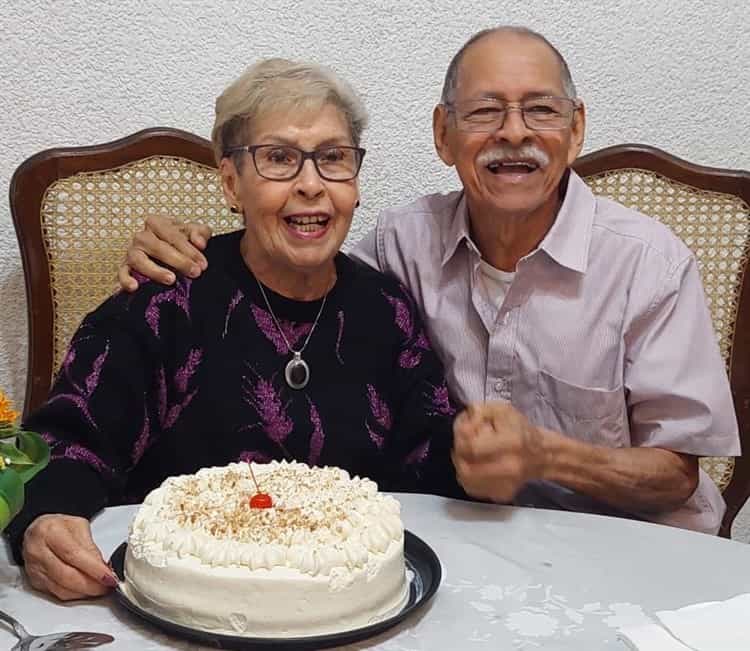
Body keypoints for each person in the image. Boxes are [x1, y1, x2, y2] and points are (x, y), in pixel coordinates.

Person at [121, 26, 740, 535]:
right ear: (444, 135)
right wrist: (183, 248)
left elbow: (679, 472)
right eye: (485, 112)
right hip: (472, 539)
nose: (515, 133)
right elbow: (297, 261)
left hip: (636, 548)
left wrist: (546, 456)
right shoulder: (402, 245)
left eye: (541, 110)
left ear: (575, 130)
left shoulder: (648, 264)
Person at [6, 58, 463, 601]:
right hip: (176, 616)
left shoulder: (387, 311)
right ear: (231, 183)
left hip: (348, 614)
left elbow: (428, 461)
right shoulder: (165, 300)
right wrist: (46, 517)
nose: (312, 185)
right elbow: (64, 443)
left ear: (356, 182)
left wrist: (480, 461)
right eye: (279, 159)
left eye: (334, 158)